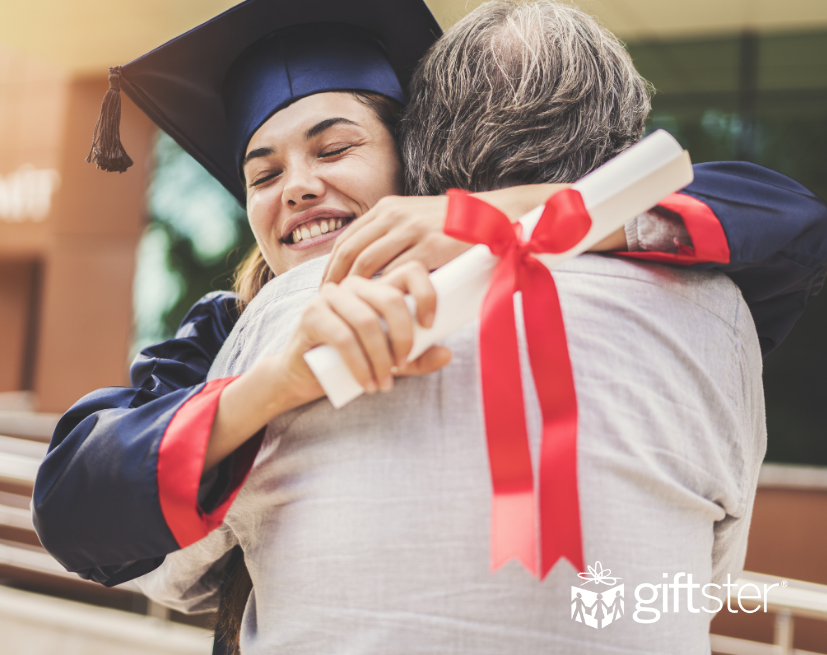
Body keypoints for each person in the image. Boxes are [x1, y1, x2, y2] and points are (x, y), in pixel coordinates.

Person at [32, 0, 826, 649]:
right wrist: (269, 386)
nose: (299, 187)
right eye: (263, 172)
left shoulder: (556, 265)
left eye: (335, 147)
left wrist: (500, 219)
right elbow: (77, 495)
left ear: (418, 165)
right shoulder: (238, 326)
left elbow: (780, 213)